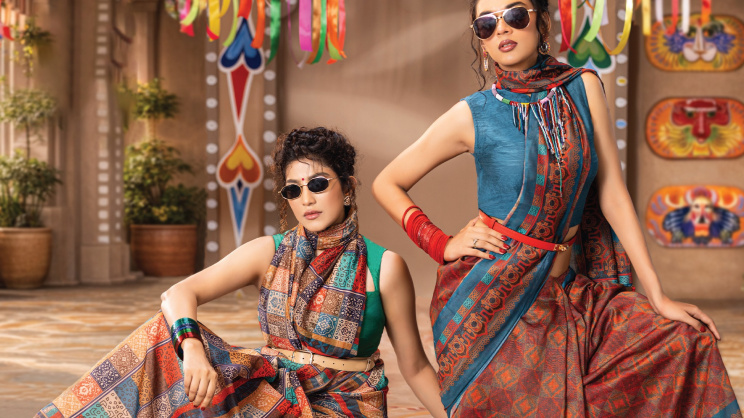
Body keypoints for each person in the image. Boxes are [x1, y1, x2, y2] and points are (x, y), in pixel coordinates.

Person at [372, 1, 741, 416]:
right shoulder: (472, 113)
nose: (501, 30)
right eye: (486, 25)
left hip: (571, 288)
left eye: (515, 15)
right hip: (496, 301)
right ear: (481, 42)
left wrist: (657, 294)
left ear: (542, 21)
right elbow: (387, 182)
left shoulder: (583, 87)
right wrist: (441, 244)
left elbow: (612, 192)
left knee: (687, 342)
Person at [36, 127, 446, 418]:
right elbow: (178, 294)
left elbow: (414, 367)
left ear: (348, 186)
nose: (307, 199)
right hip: (274, 394)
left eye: (319, 184)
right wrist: (192, 350)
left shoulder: (383, 266)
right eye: (294, 189)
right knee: (163, 337)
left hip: (345, 404)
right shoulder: (270, 252)